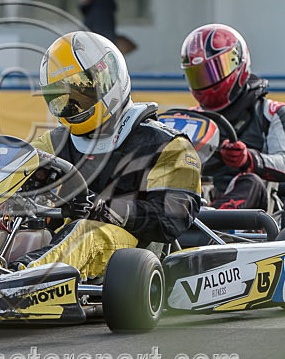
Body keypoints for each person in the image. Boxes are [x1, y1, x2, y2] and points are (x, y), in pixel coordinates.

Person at [12, 31, 202, 279]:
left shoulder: (167, 144)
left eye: (80, 92)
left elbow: (173, 218)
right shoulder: (53, 142)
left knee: (87, 232)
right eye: (62, 98)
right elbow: (12, 175)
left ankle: (20, 280)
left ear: (109, 79)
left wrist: (108, 208)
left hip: (134, 252)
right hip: (58, 240)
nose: (72, 106)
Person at [180, 23, 285, 210]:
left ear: (238, 62)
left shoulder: (272, 112)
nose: (207, 81)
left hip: (256, 210)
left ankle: (213, 225)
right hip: (200, 198)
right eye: (199, 76)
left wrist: (248, 159)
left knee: (250, 181)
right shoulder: (192, 118)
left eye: (213, 72)